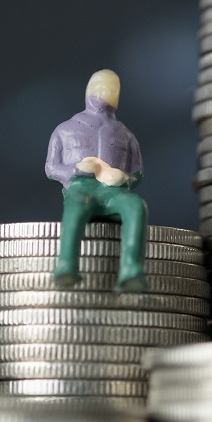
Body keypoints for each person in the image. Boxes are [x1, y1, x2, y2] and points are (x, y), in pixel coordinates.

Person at [45, 69, 148, 293]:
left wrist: (126, 179)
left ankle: (131, 269)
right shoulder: (65, 129)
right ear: (89, 90)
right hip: (80, 187)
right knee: (76, 207)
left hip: (114, 191)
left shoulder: (126, 134)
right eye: (101, 86)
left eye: (113, 88)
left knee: (136, 205)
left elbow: (137, 171)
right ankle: (66, 265)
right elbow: (51, 168)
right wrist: (75, 169)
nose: (106, 91)